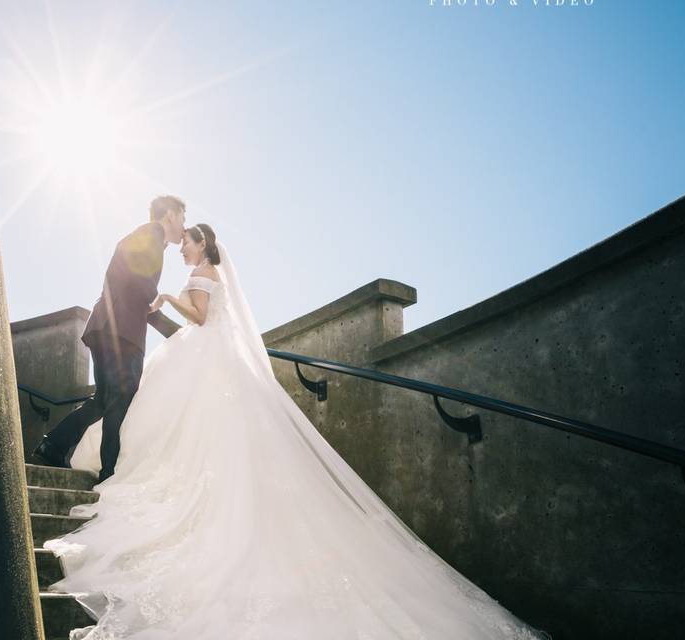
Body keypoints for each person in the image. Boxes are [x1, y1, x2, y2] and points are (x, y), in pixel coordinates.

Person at [46, 226, 552, 640]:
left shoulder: (201, 275)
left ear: (202, 244)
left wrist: (171, 298)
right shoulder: (214, 271)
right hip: (215, 364)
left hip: (204, 358)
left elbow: (200, 318)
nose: (182, 249)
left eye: (187, 243)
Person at [30, 195, 185, 483]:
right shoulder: (151, 233)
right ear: (171, 215)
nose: (183, 226)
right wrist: (171, 324)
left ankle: (52, 446)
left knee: (102, 401)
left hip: (106, 327)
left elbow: (132, 287)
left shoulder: (143, 236)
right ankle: (109, 472)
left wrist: (166, 323)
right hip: (121, 332)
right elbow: (141, 286)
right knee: (121, 397)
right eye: (183, 218)